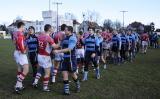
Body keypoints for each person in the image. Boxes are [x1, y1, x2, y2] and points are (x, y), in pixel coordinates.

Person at [54, 26, 80, 95]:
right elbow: (59, 45)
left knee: (73, 74)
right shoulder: (64, 38)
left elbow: (69, 49)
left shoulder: (73, 38)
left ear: (70, 31)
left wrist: (58, 51)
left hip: (71, 59)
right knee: (64, 73)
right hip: (64, 58)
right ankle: (66, 91)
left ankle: (78, 85)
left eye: (65, 30)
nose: (64, 31)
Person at [32, 24, 58, 92]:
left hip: (40, 55)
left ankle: (35, 82)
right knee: (47, 73)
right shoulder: (49, 38)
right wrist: (60, 43)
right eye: (52, 28)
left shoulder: (40, 36)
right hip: (45, 56)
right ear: (49, 29)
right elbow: (55, 47)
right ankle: (45, 87)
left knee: (40, 69)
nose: (52, 29)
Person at [13, 22, 29, 94]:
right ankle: (17, 85)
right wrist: (23, 51)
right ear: (21, 26)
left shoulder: (15, 33)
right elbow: (20, 42)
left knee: (20, 68)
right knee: (26, 69)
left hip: (16, 52)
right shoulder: (20, 33)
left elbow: (14, 42)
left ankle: (20, 85)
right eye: (24, 27)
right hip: (20, 52)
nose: (24, 28)